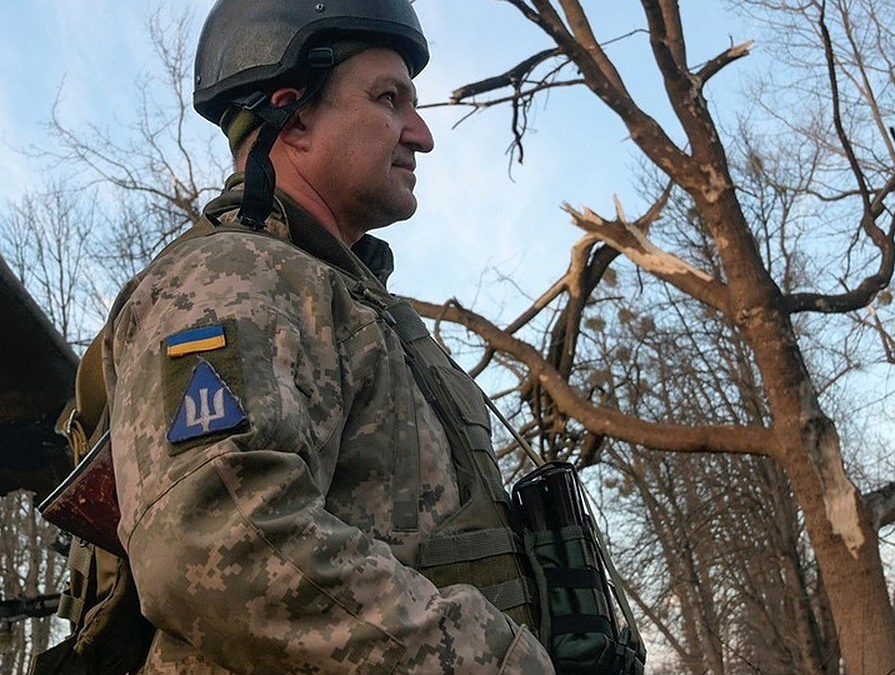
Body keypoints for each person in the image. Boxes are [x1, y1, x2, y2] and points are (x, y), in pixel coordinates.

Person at [95, 0, 554, 671]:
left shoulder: (346, 299)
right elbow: (215, 541)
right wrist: (494, 662)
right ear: (297, 115)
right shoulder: (229, 277)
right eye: (389, 98)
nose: (421, 134)